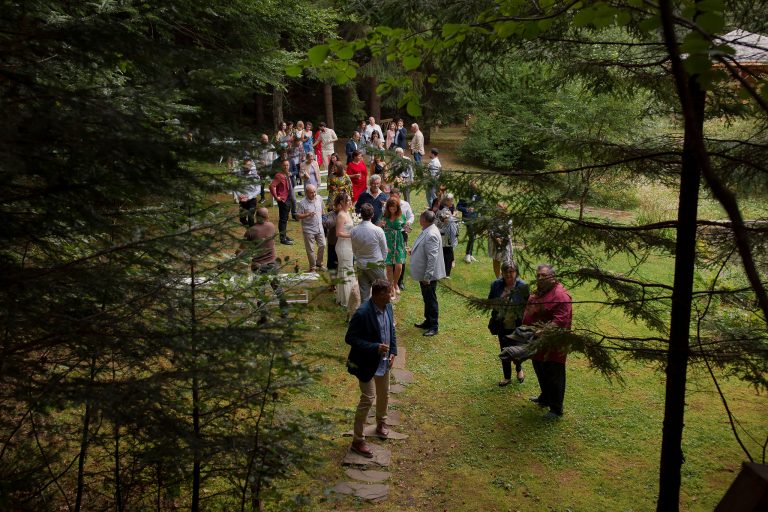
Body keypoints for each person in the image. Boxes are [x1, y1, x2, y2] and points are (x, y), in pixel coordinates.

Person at [345, 279, 397, 458]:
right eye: (389, 293)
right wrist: (374, 347)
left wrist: (393, 352)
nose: (392, 296)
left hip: (384, 362)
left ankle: (381, 423)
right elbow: (350, 338)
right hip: (366, 363)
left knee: (384, 394)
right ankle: (357, 441)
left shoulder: (388, 307)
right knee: (368, 398)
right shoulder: (362, 313)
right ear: (378, 295)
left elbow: (392, 330)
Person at [524, 264, 572, 419]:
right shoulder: (541, 290)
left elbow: (560, 320)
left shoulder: (561, 295)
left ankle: (556, 409)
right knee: (540, 369)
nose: (539, 278)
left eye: (543, 275)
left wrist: (541, 331)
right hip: (538, 343)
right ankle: (545, 398)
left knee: (554, 375)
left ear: (553, 277)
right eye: (538, 275)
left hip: (553, 345)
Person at [488, 261, 530, 386]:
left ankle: (519, 369)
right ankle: (507, 377)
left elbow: (528, 305)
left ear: (516, 273)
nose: (508, 274)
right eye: (505, 271)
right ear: (502, 273)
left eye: (511, 271)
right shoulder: (496, 285)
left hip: (517, 324)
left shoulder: (523, 287)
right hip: (502, 323)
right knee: (504, 350)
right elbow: (490, 302)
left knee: (517, 349)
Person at [239, 207, 283, 323]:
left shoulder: (251, 231)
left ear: (255, 217)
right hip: (272, 264)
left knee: (260, 292)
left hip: (258, 266)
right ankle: (285, 312)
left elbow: (241, 249)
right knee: (278, 289)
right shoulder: (272, 226)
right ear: (267, 217)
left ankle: (263, 317)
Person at [409, 210, 446, 337]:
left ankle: (434, 326)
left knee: (431, 299)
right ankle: (428, 321)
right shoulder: (428, 229)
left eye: (420, 218)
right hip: (425, 273)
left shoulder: (431, 234)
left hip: (428, 275)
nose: (419, 220)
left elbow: (432, 257)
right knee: (427, 298)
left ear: (424, 220)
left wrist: (427, 276)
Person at [351, 203, 388, 301]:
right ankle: (381, 315)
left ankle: (367, 315)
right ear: (372, 215)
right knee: (382, 292)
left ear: (361, 215)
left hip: (361, 265)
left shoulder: (354, 230)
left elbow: (354, 249)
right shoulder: (378, 230)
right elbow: (384, 249)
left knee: (364, 296)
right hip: (375, 264)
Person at [334, 193, 360, 316]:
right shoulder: (341, 215)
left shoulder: (348, 213)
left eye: (350, 200)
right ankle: (346, 298)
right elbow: (338, 233)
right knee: (346, 269)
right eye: (347, 200)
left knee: (347, 268)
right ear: (342, 203)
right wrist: (352, 235)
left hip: (349, 245)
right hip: (343, 246)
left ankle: (345, 295)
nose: (350, 202)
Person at [380, 197, 407, 300]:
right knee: (389, 267)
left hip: (399, 242)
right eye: (391, 208)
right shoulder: (384, 217)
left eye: (394, 208)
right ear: (388, 208)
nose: (392, 209)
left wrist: (407, 228)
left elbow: (405, 227)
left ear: (397, 207)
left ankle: (396, 283)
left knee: (399, 265)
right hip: (388, 242)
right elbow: (379, 228)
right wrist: (380, 225)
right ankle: (391, 287)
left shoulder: (401, 216)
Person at [296, 184, 326, 272]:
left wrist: (324, 220)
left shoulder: (319, 198)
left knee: (323, 245)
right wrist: (307, 214)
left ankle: (319, 263)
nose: (314, 194)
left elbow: (323, 210)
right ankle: (313, 267)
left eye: (314, 192)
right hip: (308, 229)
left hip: (319, 227)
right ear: (306, 193)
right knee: (310, 249)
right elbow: (298, 216)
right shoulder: (302, 203)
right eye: (311, 193)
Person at [388, 188, 413, 291]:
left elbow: (411, 216)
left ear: (399, 196)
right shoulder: (387, 205)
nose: (393, 199)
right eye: (391, 197)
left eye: (395, 197)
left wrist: (408, 223)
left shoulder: (406, 205)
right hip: (389, 236)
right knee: (390, 260)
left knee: (400, 258)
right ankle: (391, 283)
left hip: (401, 233)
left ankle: (399, 281)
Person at [268, 159, 294, 245]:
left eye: (287, 165)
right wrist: (276, 197)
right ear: (281, 166)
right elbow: (271, 186)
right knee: (283, 219)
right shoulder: (279, 175)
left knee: (285, 218)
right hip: (283, 199)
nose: (286, 167)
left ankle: (284, 235)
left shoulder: (286, 174)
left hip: (288, 198)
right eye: (284, 165)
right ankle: (282, 239)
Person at [457, 182, 482, 263]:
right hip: (467, 218)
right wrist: (466, 209)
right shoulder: (465, 196)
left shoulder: (478, 195)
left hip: (475, 218)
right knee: (471, 235)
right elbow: (458, 206)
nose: (474, 190)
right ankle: (467, 255)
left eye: (475, 188)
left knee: (473, 236)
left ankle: (470, 255)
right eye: (473, 188)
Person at [489, 202, 514, 278]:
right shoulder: (493, 218)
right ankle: (498, 278)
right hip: (494, 241)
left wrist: (502, 240)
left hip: (505, 241)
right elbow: (490, 229)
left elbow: (509, 231)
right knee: (496, 260)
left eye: (501, 209)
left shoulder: (508, 219)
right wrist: (496, 238)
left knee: (508, 261)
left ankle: (507, 278)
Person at [435, 195, 459, 277]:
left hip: (442, 233)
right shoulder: (445, 211)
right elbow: (447, 221)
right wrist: (455, 216)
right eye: (451, 201)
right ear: (446, 201)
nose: (452, 202)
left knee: (446, 252)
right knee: (447, 253)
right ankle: (446, 273)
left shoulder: (442, 209)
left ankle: (443, 270)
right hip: (445, 235)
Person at [234, 157, 260, 227]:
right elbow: (236, 187)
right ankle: (245, 223)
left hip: (252, 199)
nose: (248, 167)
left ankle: (252, 232)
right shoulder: (239, 175)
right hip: (242, 199)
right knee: (242, 218)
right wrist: (240, 195)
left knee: (251, 217)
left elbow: (258, 189)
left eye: (249, 165)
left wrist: (248, 197)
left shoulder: (255, 176)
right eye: (246, 165)